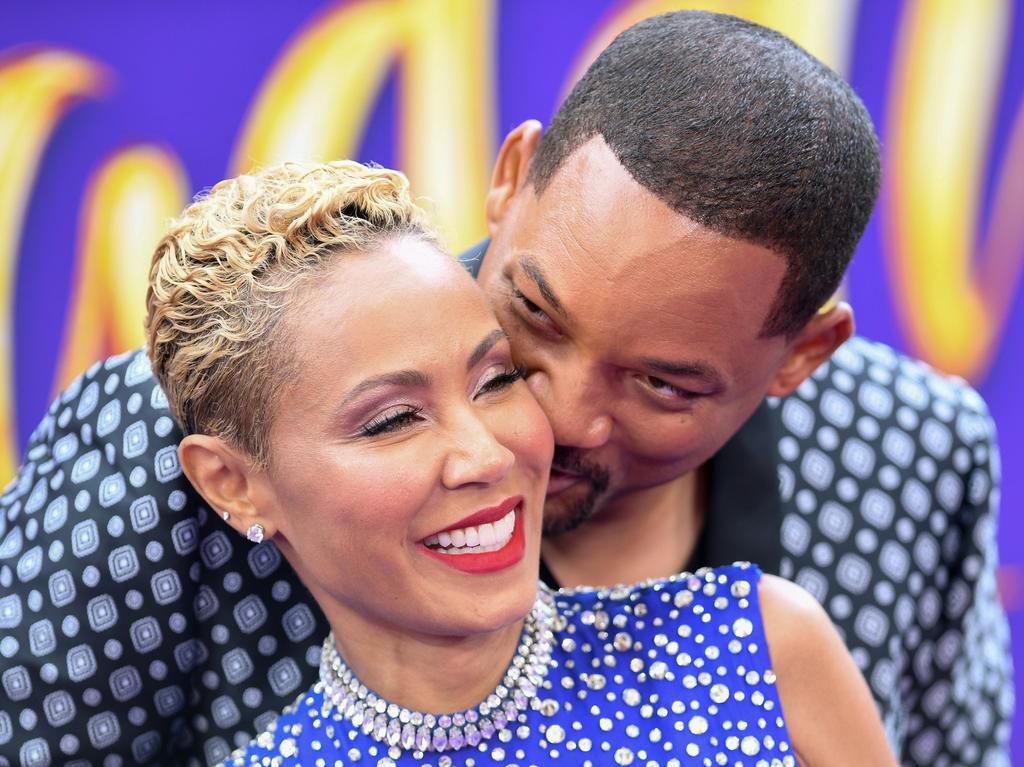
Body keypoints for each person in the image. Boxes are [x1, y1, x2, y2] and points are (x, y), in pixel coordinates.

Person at [0, 10, 1010, 767]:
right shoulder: (171, 429)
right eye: (533, 319)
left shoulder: (907, 459)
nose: (549, 419)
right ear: (511, 174)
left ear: (801, 355)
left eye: (661, 383)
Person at [146, 157, 896, 767]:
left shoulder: (758, 646)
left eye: (497, 379)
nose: (485, 451)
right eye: (393, 419)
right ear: (232, 484)